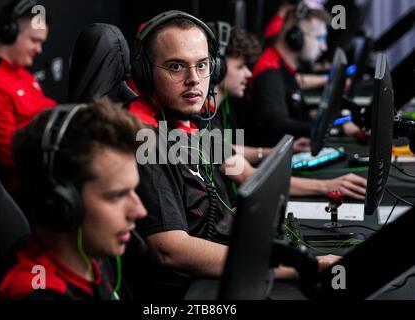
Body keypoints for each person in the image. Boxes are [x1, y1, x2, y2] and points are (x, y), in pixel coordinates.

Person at [125, 10, 339, 300]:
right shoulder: (145, 138)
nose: (194, 79)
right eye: (176, 67)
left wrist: (327, 187)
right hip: (189, 293)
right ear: (145, 73)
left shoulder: (193, 119)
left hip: (224, 267)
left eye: (202, 66)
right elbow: (170, 248)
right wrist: (287, 267)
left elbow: (246, 176)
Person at [0, 98, 147, 299]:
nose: (139, 211)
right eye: (116, 196)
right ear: (61, 203)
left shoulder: (93, 251)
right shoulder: (37, 293)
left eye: (133, 190)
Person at [208, 22, 366, 200]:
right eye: (240, 67)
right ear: (217, 68)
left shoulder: (213, 112)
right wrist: (327, 186)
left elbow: (223, 149)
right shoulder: (199, 118)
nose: (249, 74)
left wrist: (276, 152)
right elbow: (248, 176)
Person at [0, 0, 56, 192]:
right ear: (10, 32)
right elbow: (10, 155)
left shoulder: (21, 70)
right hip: (26, 190)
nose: (39, 49)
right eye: (34, 40)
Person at [251, 4, 359, 148]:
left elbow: (296, 113)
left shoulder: (285, 67)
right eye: (319, 38)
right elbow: (278, 124)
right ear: (296, 37)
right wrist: (334, 129)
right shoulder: (269, 72)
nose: (324, 47)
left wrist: (337, 120)